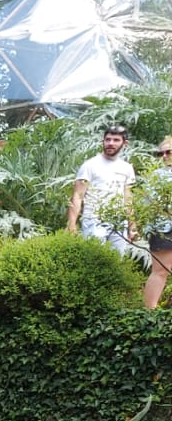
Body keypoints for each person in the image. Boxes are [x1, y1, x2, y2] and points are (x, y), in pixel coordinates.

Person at [67, 124, 136, 251]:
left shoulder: (127, 167)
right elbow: (77, 196)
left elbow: (128, 198)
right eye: (108, 139)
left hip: (119, 223)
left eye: (116, 140)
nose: (111, 143)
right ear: (103, 141)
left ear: (124, 143)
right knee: (95, 262)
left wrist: (132, 225)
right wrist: (72, 224)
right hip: (94, 221)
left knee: (117, 263)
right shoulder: (90, 165)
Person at [142, 137, 172, 312]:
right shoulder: (156, 175)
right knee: (160, 271)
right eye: (160, 153)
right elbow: (150, 205)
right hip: (164, 228)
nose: (164, 156)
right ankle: (149, 314)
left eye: (169, 152)